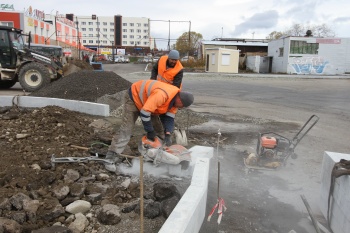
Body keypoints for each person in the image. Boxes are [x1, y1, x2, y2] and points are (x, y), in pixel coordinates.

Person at [104, 79, 194, 172]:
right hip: (134, 98)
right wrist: (149, 131)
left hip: (148, 103)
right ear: (179, 99)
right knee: (126, 130)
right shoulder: (162, 95)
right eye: (182, 106)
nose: (181, 108)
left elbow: (169, 119)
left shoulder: (174, 102)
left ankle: (157, 156)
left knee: (160, 131)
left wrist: (167, 134)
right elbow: (145, 113)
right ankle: (110, 158)